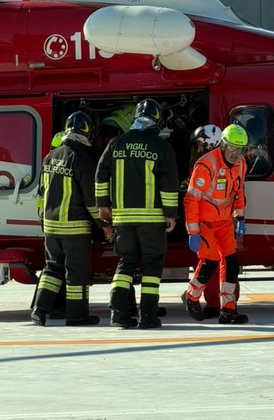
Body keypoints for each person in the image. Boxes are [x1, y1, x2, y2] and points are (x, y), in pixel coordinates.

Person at [95, 98, 179, 329]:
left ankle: (118, 314)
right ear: (157, 120)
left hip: (122, 219)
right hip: (152, 220)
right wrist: (170, 214)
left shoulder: (116, 143)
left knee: (125, 263)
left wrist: (103, 205)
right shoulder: (162, 147)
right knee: (152, 268)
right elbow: (169, 184)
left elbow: (101, 176)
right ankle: (148, 316)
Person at [32, 111, 104, 327]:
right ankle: (77, 316)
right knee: (76, 274)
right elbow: (92, 202)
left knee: (52, 269)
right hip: (75, 228)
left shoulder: (50, 157)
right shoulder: (84, 161)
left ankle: (39, 310)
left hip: (51, 227)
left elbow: (42, 191)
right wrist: (103, 225)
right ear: (87, 132)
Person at [182, 123, 249, 325]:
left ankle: (228, 310)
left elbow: (238, 191)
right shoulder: (206, 164)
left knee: (231, 264)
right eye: (232, 148)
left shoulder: (241, 164)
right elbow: (192, 199)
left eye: (240, 149)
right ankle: (191, 296)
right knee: (209, 262)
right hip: (204, 223)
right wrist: (193, 231)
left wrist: (240, 217)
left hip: (224, 222)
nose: (236, 153)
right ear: (222, 145)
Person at [187, 124, 224, 319]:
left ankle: (216, 304)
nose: (198, 148)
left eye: (200, 144)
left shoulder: (206, 164)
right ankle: (217, 304)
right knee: (216, 264)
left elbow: (194, 198)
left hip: (211, 223)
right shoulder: (228, 161)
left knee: (212, 264)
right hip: (215, 223)